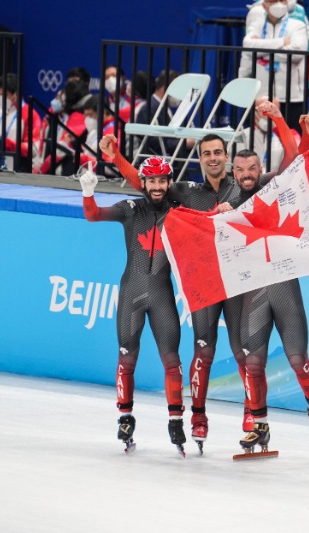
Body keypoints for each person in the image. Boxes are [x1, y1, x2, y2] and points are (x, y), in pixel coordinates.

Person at [101, 132, 243, 452]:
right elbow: (144, 183)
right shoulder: (182, 191)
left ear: (227, 155)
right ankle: (195, 418)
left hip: (236, 279)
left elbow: (272, 183)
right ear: (200, 159)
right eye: (206, 152)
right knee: (202, 351)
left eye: (218, 152)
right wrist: (116, 158)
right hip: (205, 281)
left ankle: (255, 422)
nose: (212, 157)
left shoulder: (241, 185)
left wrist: (304, 143)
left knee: (245, 352)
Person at [228, 104, 309, 453]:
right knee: (252, 361)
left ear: (260, 169)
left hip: (283, 284)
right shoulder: (227, 198)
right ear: (233, 171)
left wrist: (280, 119)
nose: (246, 173)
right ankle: (259, 425)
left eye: (252, 167)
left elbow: (294, 158)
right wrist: (218, 213)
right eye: (240, 169)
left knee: (298, 359)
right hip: (253, 288)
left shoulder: (273, 185)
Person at [78, 155, 187, 455]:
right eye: (151, 180)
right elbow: (93, 215)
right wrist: (88, 192)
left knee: (172, 360)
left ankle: (176, 420)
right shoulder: (130, 209)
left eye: (162, 181)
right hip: (132, 292)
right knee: (127, 356)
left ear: (168, 182)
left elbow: (211, 222)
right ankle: (125, 417)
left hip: (162, 292)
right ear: (144, 182)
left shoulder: (179, 212)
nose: (156, 186)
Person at [238, 0, 309, 129]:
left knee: (292, 143)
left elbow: (297, 54)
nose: (277, 4)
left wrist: (259, 51)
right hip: (260, 97)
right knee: (254, 142)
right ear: (264, 5)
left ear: (287, 3)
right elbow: (247, 48)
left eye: (281, 0)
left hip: (291, 97)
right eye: (272, 1)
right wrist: (282, 42)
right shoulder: (257, 25)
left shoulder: (297, 26)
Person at [0, 73, 42, 172]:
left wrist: (7, 144)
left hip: (18, 169)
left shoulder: (30, 114)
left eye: (4, 95)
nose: (0, 98)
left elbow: (34, 149)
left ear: (15, 94)